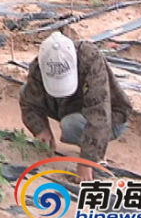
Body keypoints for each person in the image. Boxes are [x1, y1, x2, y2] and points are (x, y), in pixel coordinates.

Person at [19, 31, 132, 181]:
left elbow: (99, 115)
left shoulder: (90, 60)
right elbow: (29, 102)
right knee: (24, 91)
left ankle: (97, 154)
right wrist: (41, 129)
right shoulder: (39, 66)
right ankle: (88, 144)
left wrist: (87, 161)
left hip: (111, 116)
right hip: (68, 107)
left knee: (70, 124)